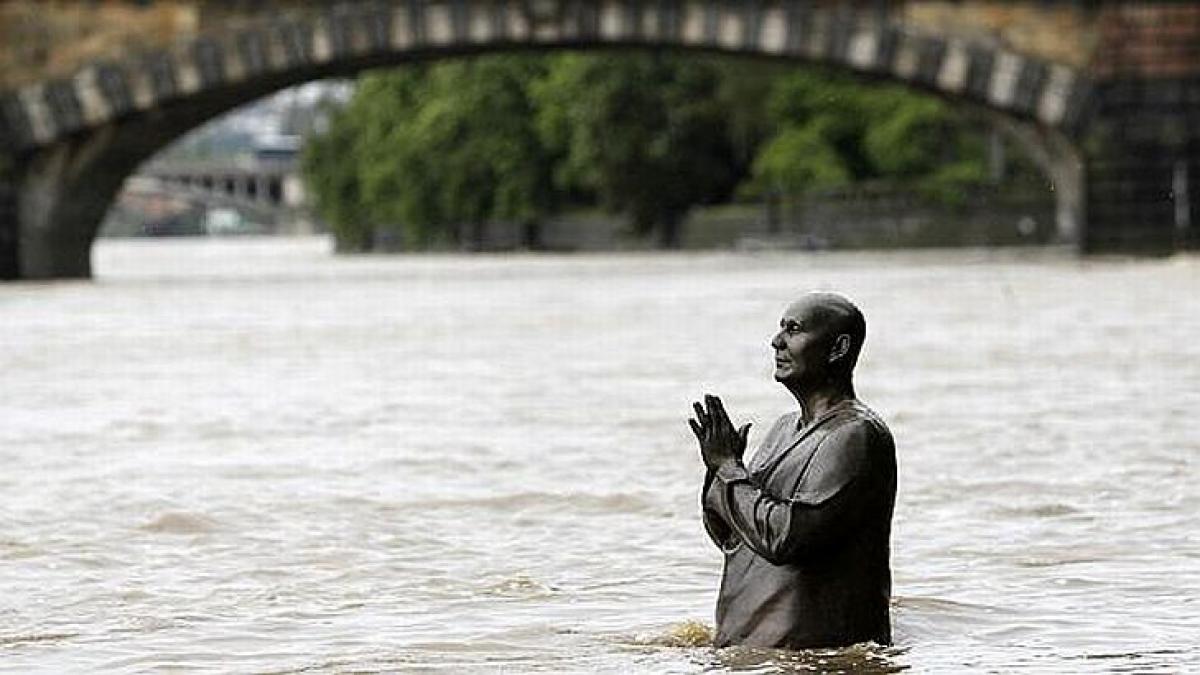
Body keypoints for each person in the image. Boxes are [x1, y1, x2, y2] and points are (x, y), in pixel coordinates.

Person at [689, 292, 896, 650]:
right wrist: (717, 470)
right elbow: (732, 536)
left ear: (838, 348)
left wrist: (729, 469)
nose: (776, 341)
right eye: (780, 328)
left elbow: (786, 537)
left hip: (816, 658)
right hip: (753, 655)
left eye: (793, 329)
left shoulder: (855, 435)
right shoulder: (784, 429)